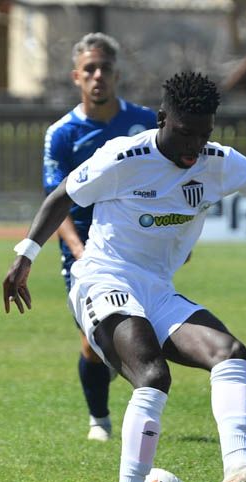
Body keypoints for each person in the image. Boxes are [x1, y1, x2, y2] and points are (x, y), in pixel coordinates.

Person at [3, 71, 246, 482]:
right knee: (153, 375)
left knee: (229, 352)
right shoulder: (122, 157)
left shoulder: (218, 161)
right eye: (185, 133)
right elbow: (62, 197)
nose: (194, 146)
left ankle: (238, 469)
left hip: (157, 288)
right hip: (103, 278)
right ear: (161, 119)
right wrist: (25, 256)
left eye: (204, 134)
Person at [44, 33, 157, 442]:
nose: (97, 76)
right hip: (84, 249)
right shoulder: (63, 133)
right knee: (94, 341)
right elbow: (54, 201)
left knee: (141, 332)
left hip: (138, 246)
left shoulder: (145, 122)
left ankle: (134, 407)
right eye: (89, 69)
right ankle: (100, 420)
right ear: (76, 76)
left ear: (116, 74)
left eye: (104, 68)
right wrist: (79, 251)